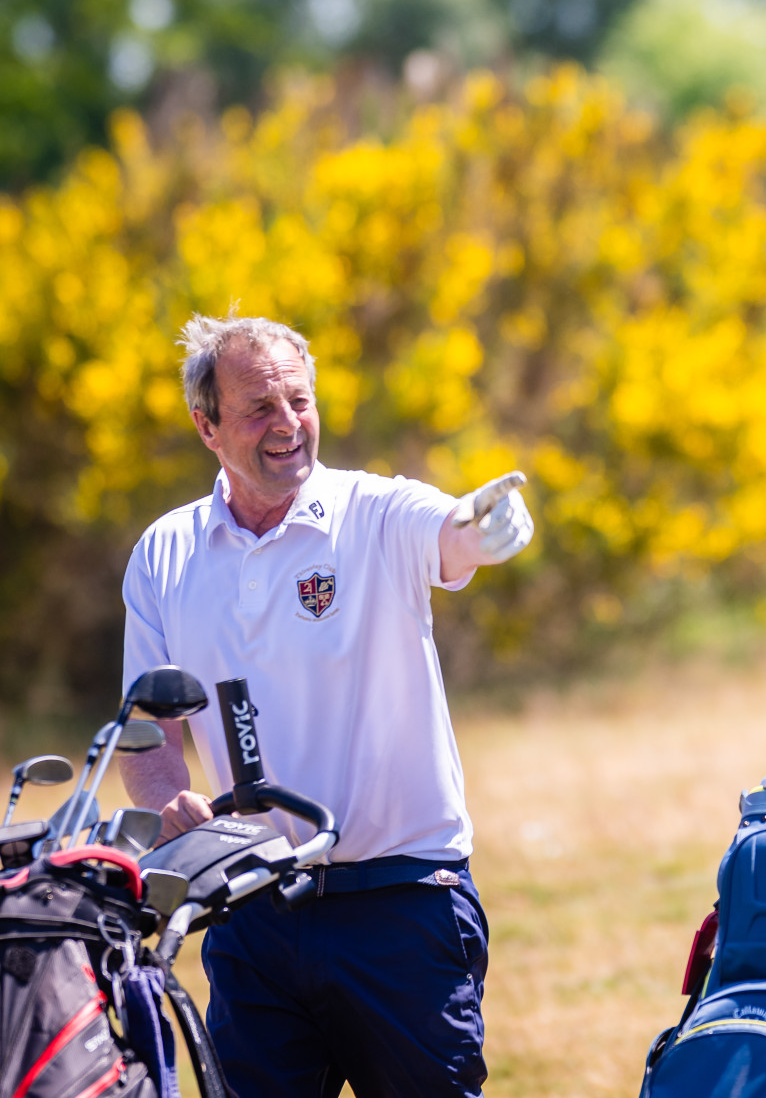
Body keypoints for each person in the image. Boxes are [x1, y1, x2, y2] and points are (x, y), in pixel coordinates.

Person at [119, 313, 534, 1098]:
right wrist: (166, 798)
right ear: (206, 426)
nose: (288, 424)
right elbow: (147, 727)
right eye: (258, 409)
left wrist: (479, 531)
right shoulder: (165, 552)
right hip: (250, 912)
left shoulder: (373, 511)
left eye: (299, 401)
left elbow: (448, 531)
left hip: (400, 903)